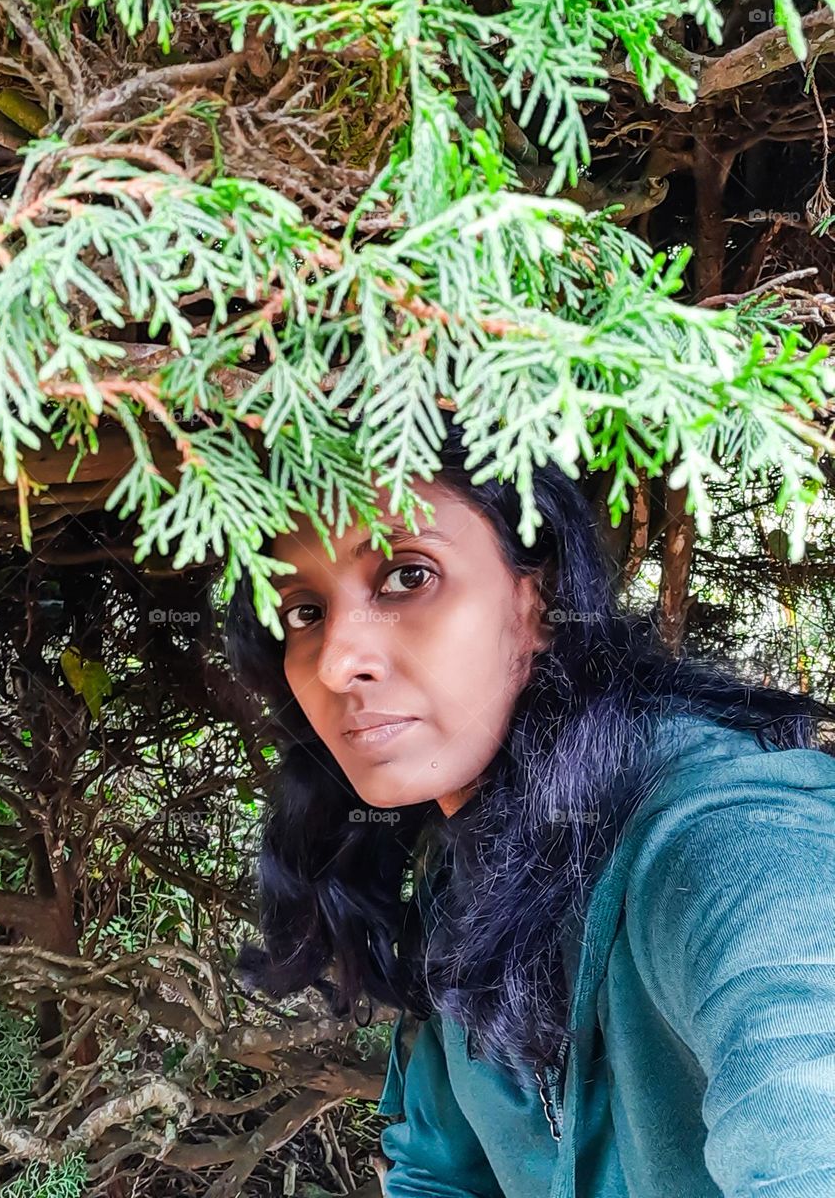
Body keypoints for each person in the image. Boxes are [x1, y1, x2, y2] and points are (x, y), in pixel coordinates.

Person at [220, 413, 835, 1197]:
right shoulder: (466, 861)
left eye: (409, 574)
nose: (338, 661)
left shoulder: (728, 841)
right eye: (304, 612)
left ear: (540, 598)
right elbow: (438, 1173)